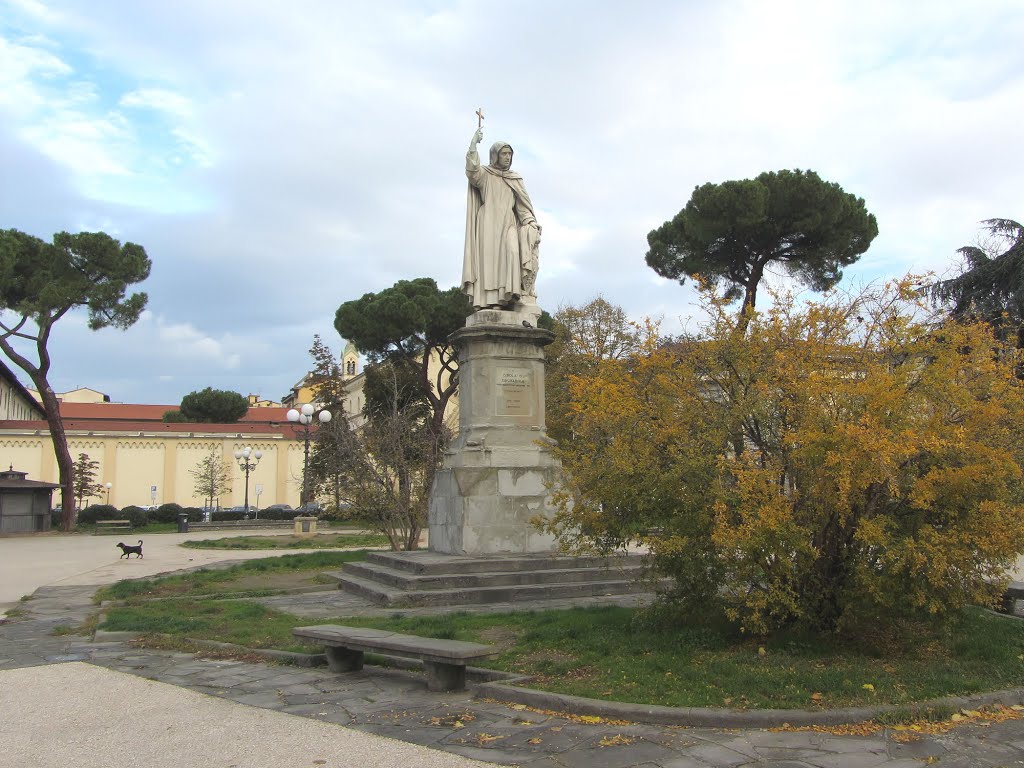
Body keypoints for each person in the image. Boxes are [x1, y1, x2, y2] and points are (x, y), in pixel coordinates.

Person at [463, 127, 541, 310]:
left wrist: (531, 223)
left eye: (509, 154)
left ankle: (507, 297)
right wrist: (473, 144)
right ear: (495, 156)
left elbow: (523, 209)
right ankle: (489, 301)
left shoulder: (515, 178)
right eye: (504, 154)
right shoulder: (485, 174)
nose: (507, 157)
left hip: (508, 223)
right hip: (488, 223)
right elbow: (472, 170)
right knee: (488, 262)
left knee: (513, 252)